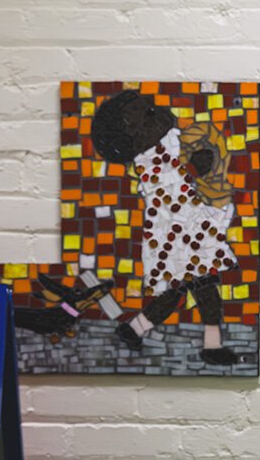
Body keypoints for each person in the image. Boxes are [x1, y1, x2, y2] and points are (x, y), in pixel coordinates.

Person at [89, 88, 242, 366]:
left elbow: (176, 177)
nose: (157, 113)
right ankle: (210, 345)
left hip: (185, 227)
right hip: (176, 233)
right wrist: (194, 169)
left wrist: (195, 168)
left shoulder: (164, 145)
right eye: (148, 113)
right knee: (200, 285)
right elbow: (166, 183)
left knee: (182, 290)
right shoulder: (149, 158)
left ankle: (134, 329)